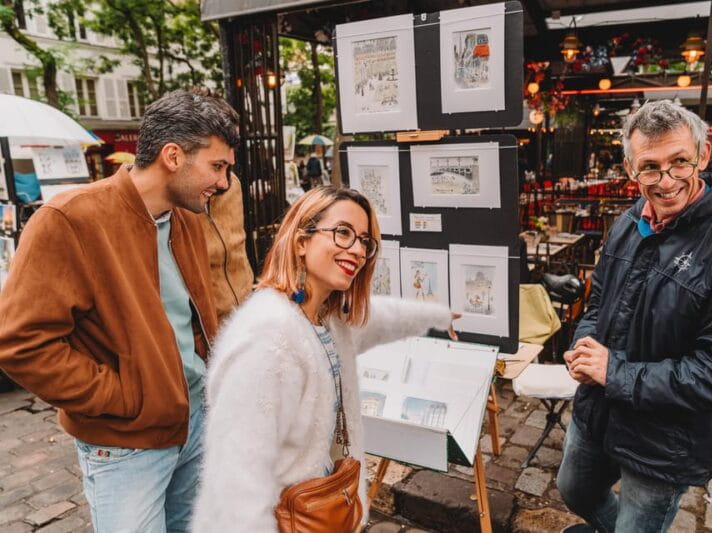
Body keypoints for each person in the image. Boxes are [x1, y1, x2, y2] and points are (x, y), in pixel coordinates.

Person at [0, 89, 239, 532]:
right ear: (173, 156)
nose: (224, 182)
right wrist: (125, 398)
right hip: (126, 443)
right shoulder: (69, 220)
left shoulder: (186, 217)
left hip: (195, 422)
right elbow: (20, 344)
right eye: (217, 166)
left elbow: (187, 317)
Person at [556, 100, 712, 533]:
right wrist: (583, 345)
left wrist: (615, 372)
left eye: (679, 162)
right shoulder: (627, 223)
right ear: (630, 169)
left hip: (667, 440)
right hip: (600, 410)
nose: (667, 180)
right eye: (650, 168)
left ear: (703, 155)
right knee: (574, 489)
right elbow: (599, 302)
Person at [192, 186, 458, 532]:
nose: (357, 250)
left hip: (317, 510)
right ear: (301, 241)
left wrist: (438, 316)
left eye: (364, 241)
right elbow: (236, 482)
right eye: (343, 233)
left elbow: (383, 318)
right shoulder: (268, 335)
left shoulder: (326, 318)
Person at [201, 171, 255, 322]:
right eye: (217, 165)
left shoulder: (232, 183)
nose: (223, 182)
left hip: (245, 306)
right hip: (207, 319)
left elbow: (237, 246)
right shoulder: (178, 191)